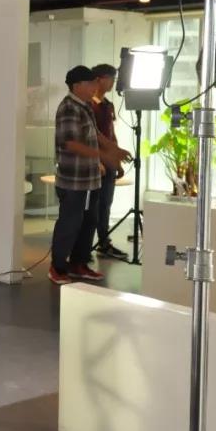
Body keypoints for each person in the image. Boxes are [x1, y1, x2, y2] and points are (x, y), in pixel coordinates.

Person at [50, 66, 130, 285]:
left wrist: (115, 150)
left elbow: (96, 134)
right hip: (73, 180)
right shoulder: (68, 107)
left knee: (89, 221)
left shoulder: (85, 105)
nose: (95, 87)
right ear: (77, 86)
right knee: (70, 223)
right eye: (90, 83)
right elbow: (70, 143)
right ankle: (57, 266)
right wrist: (103, 156)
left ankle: (79, 264)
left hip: (91, 179)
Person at [91, 63, 130, 260]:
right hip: (94, 162)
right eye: (110, 78)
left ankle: (104, 242)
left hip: (108, 164)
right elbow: (90, 137)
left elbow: (111, 135)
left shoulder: (108, 105)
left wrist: (117, 161)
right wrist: (97, 161)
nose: (113, 83)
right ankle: (83, 248)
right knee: (92, 206)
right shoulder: (88, 106)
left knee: (105, 204)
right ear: (99, 79)